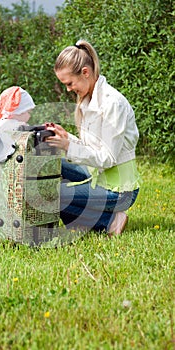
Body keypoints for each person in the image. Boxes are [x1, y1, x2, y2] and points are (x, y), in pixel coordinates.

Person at [46, 40, 141, 236]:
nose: (68, 90)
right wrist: (67, 139)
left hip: (120, 190)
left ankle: (109, 221)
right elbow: (91, 148)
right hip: (98, 177)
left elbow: (107, 158)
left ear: (85, 72)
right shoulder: (88, 102)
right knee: (53, 167)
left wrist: (68, 146)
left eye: (70, 83)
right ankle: (83, 218)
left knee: (53, 194)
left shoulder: (111, 103)